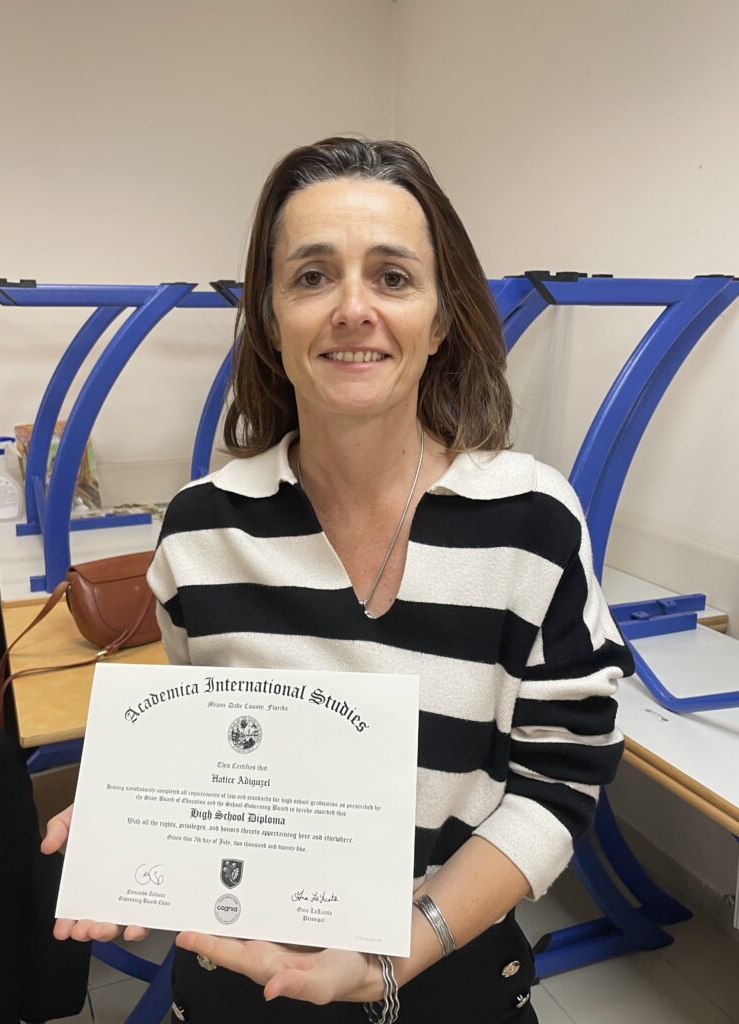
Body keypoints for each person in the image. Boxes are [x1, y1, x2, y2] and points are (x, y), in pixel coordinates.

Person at [44, 137, 635, 1023]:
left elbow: (560, 779)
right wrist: (136, 820)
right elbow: (214, 745)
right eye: (312, 276)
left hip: (452, 972)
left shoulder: (532, 523)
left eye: (393, 277)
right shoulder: (202, 529)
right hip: (242, 977)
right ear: (271, 319)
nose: (353, 309)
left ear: (440, 321)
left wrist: (397, 950)